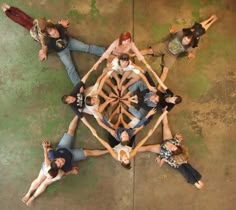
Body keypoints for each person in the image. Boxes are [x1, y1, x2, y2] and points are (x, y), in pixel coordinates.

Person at [21, 116, 108, 206]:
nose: (62, 161)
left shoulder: (51, 157)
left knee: (70, 131)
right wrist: (72, 171)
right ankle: (31, 197)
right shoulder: (61, 172)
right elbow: (65, 173)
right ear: (60, 168)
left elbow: (46, 155)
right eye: (61, 163)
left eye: (58, 161)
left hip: (63, 148)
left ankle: (77, 114)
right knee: (42, 183)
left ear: (54, 159)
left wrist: (45, 147)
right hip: (71, 155)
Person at [140, 15, 218, 82]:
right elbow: (175, 35)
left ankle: (212, 21)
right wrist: (172, 32)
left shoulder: (191, 44)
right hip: (168, 45)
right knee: (199, 27)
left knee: (201, 31)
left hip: (175, 53)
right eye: (185, 39)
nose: (185, 41)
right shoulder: (183, 34)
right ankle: (210, 18)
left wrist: (189, 54)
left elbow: (187, 52)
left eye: (187, 41)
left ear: (189, 42)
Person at [83, 111, 168, 169]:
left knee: (110, 129)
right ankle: (148, 116)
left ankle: (99, 116)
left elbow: (107, 146)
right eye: (127, 159)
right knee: (138, 128)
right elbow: (139, 145)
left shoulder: (117, 156)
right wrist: (148, 135)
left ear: (121, 161)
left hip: (115, 145)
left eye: (124, 159)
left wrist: (96, 136)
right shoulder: (130, 154)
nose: (125, 157)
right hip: (127, 144)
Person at [138, 115, 204, 189]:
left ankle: (195, 182)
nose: (172, 146)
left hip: (173, 160)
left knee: (184, 170)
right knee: (166, 126)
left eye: (172, 148)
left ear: (171, 153)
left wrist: (159, 159)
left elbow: (160, 163)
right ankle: (164, 112)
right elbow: (179, 138)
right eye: (174, 146)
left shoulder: (166, 155)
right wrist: (165, 112)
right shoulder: (175, 142)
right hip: (177, 153)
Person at [39, 22, 106, 86]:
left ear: (55, 28)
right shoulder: (48, 40)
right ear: (49, 36)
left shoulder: (59, 26)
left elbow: (65, 25)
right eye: (53, 35)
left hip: (70, 42)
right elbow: (44, 46)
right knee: (70, 67)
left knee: (86, 47)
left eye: (55, 31)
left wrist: (64, 24)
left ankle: (105, 51)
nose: (56, 34)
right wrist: (44, 53)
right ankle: (78, 86)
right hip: (62, 51)